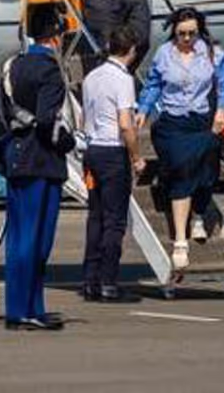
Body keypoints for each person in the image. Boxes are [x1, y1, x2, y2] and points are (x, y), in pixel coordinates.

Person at [136, 7, 224, 271]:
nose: (187, 39)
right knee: (181, 172)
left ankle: (200, 213)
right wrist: (144, 110)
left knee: (207, 172)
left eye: (192, 33)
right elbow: (154, 84)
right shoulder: (164, 54)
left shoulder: (214, 53)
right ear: (174, 32)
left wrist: (221, 112)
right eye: (182, 34)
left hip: (202, 122)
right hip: (172, 123)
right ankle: (181, 240)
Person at [0, 2, 76, 331]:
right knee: (38, 241)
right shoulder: (50, 70)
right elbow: (47, 121)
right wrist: (69, 142)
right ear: (55, 37)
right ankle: (29, 309)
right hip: (42, 160)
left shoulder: (12, 67)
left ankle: (21, 308)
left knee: (19, 239)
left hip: (16, 158)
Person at [80, 23, 144, 303]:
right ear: (131, 50)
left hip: (92, 149)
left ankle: (90, 281)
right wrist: (136, 156)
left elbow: (84, 117)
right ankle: (109, 282)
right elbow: (126, 125)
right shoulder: (123, 79)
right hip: (112, 152)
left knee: (96, 217)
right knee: (115, 221)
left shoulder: (91, 76)